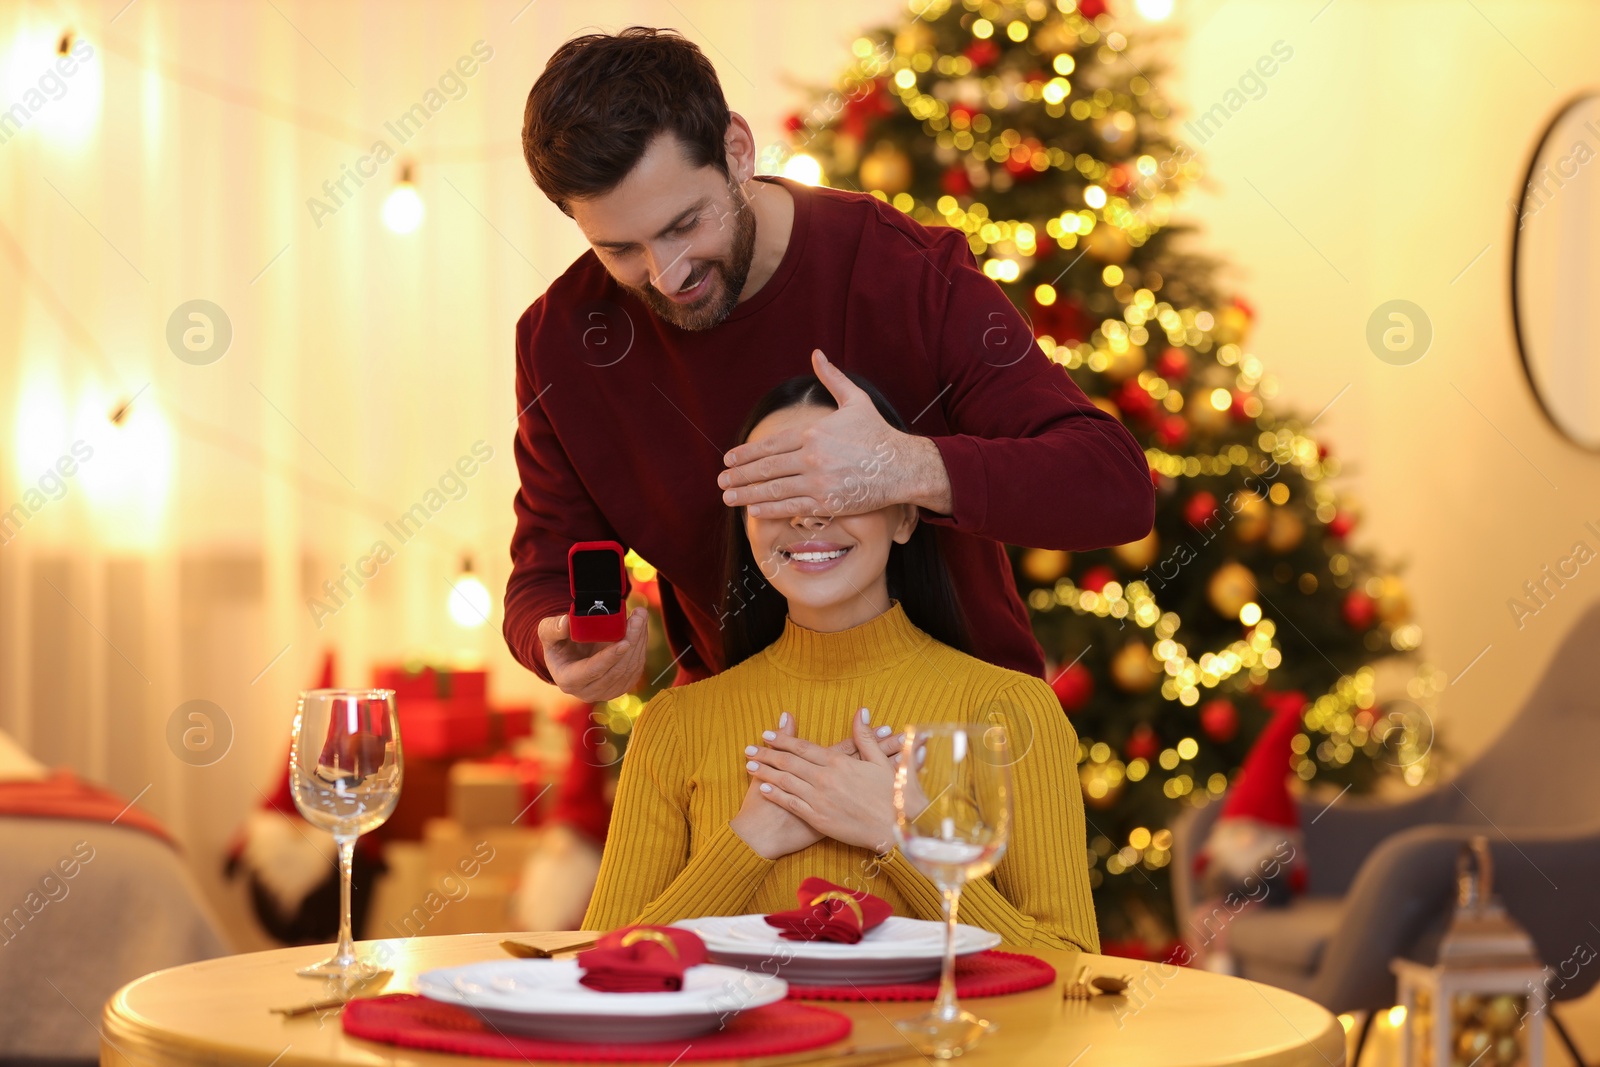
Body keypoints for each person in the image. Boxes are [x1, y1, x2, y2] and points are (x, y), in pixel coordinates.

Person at [505, 27, 1154, 697]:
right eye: (621, 251)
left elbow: (1113, 485)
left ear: (736, 150)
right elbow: (547, 566)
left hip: (957, 735)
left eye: (684, 224)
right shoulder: (560, 342)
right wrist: (553, 640)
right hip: (744, 745)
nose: (667, 276)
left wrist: (905, 467)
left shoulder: (907, 273)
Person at [581, 375, 1097, 953]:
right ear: (745, 522)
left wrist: (901, 834)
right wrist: (749, 842)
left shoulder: (1009, 712)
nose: (806, 517)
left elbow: (1070, 968)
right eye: (777, 488)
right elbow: (600, 967)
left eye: (840, 486)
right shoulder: (675, 725)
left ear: (905, 517)